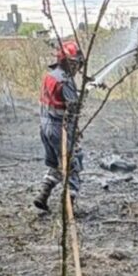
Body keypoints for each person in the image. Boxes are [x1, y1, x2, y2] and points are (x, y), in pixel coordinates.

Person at [32, 40, 84, 212]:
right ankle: (68, 206)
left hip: (44, 127)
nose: (76, 67)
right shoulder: (66, 81)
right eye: (74, 63)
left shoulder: (50, 76)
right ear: (66, 62)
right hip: (58, 129)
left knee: (55, 165)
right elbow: (73, 110)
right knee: (72, 164)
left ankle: (43, 194)